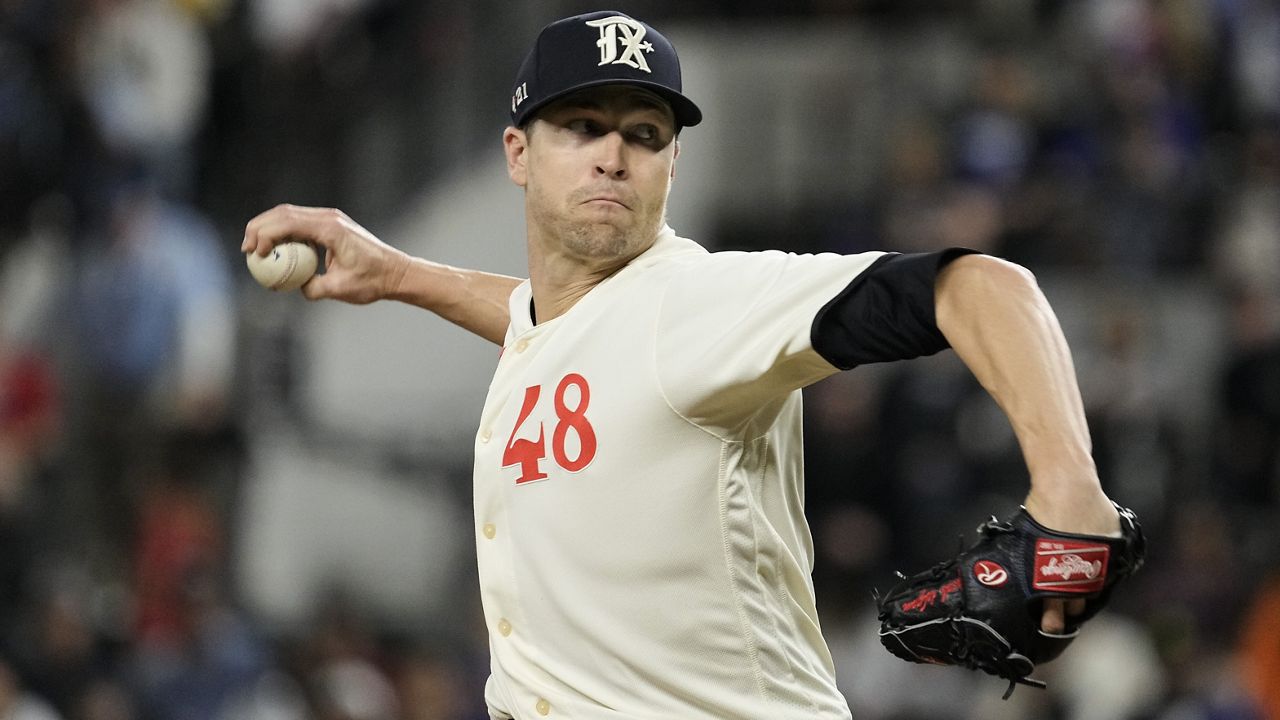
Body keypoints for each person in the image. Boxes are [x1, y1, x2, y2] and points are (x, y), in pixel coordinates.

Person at [243, 11, 1124, 719]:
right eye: (580, 125)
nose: (613, 154)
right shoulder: (565, 325)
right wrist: (398, 273)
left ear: (674, 161)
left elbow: (984, 287)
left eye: (645, 131)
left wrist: (1072, 492)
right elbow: (549, 323)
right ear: (518, 152)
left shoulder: (700, 303)